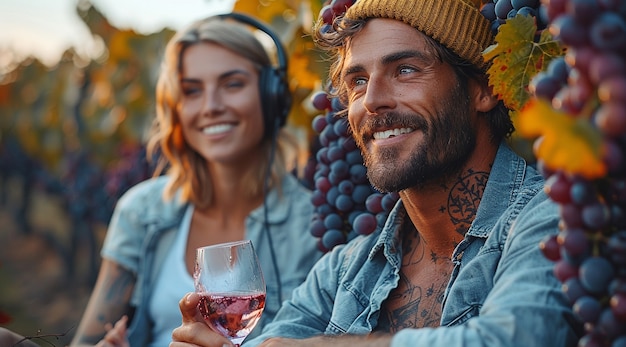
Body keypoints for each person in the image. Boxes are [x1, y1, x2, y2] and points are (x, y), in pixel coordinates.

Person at [170, 0, 582, 346]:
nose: (371, 101)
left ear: (484, 89)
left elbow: (515, 338)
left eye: (405, 69)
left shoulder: (556, 220)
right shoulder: (340, 271)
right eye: (358, 80)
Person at [69, 13, 322, 347]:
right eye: (191, 91)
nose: (211, 106)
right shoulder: (141, 211)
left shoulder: (312, 227)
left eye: (232, 84)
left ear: (272, 96)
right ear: (175, 109)